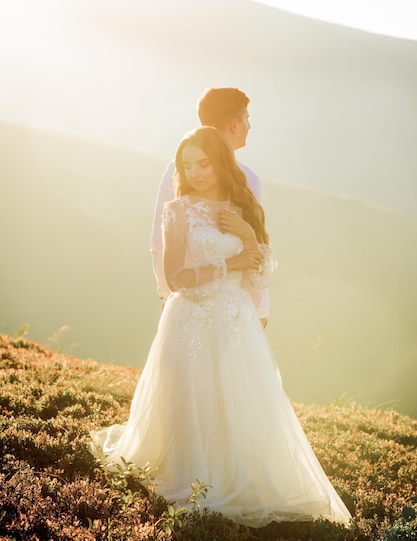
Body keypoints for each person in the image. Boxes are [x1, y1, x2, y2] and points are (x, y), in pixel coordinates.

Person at [90, 127, 351, 527]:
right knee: (194, 399)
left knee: (236, 401)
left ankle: (236, 474)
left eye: (203, 163)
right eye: (187, 165)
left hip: (235, 321)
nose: (195, 172)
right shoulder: (177, 210)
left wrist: (247, 234)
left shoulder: (240, 207)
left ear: (221, 162)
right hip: (191, 320)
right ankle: (194, 477)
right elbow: (175, 276)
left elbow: (259, 276)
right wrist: (229, 264)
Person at [150, 86, 269, 326]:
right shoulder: (178, 172)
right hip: (189, 304)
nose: (195, 173)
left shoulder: (245, 181)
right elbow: (161, 239)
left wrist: (257, 307)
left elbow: (255, 247)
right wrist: (169, 295)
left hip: (233, 308)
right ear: (234, 124)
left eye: (204, 164)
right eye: (247, 119)